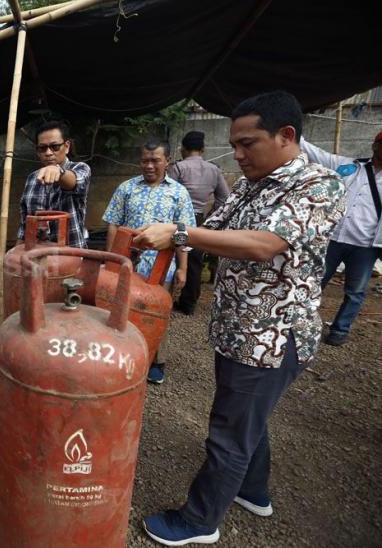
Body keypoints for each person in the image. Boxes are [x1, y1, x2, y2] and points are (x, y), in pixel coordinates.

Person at [134, 91, 345, 546]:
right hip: (239, 331)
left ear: (286, 135)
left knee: (229, 434)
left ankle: (199, 522)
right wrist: (169, 236)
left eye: (248, 143)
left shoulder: (318, 185)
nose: (238, 153)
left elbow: (264, 243)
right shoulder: (254, 183)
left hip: (270, 338)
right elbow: (214, 228)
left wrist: (179, 233)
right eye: (235, 143)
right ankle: (252, 491)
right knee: (248, 419)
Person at [102, 141, 195, 384]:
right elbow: (113, 222)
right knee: (121, 311)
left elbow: (183, 233)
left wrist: (183, 268)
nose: (150, 165)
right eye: (145, 160)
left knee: (157, 313)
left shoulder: (178, 193)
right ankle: (121, 358)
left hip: (162, 267)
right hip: (128, 265)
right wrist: (113, 259)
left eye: (155, 160)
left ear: (167, 161)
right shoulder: (127, 188)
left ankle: (155, 361)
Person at [301, 131, 382, 346]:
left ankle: (339, 330)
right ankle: (301, 324)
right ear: (375, 146)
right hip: (333, 240)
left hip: (366, 247)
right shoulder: (351, 167)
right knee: (314, 283)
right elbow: (318, 155)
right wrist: (293, 132)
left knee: (355, 291)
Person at [167, 131, 230, 315]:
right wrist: (211, 218)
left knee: (169, 255)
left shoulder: (178, 168)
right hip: (200, 219)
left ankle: (162, 298)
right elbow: (224, 198)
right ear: (202, 149)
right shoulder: (214, 169)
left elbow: (169, 192)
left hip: (176, 219)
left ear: (183, 149)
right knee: (194, 261)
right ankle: (188, 304)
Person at [17, 120, 91, 248]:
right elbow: (24, 228)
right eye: (42, 148)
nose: (48, 153)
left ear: (67, 146)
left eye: (55, 147)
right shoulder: (31, 179)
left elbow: (74, 182)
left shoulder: (81, 168)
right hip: (36, 259)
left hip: (71, 257)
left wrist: (59, 171)